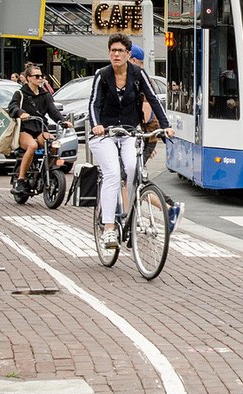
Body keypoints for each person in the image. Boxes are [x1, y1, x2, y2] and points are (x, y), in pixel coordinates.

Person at [88, 34, 174, 249]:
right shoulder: (102, 75)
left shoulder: (137, 74)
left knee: (134, 168)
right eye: (113, 51)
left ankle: (132, 216)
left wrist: (165, 125)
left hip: (129, 132)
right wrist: (97, 124)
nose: (116, 54)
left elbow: (153, 98)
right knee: (113, 173)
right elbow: (93, 104)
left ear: (128, 54)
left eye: (120, 51)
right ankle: (109, 228)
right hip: (104, 134)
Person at [8, 63, 71, 195]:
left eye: (41, 76)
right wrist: (20, 113)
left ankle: (47, 170)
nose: (40, 78)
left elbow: (53, 110)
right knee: (32, 146)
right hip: (24, 129)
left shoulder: (45, 95)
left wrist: (63, 121)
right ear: (28, 78)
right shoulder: (20, 93)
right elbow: (12, 107)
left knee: (53, 143)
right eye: (36, 76)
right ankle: (21, 180)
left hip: (40, 128)